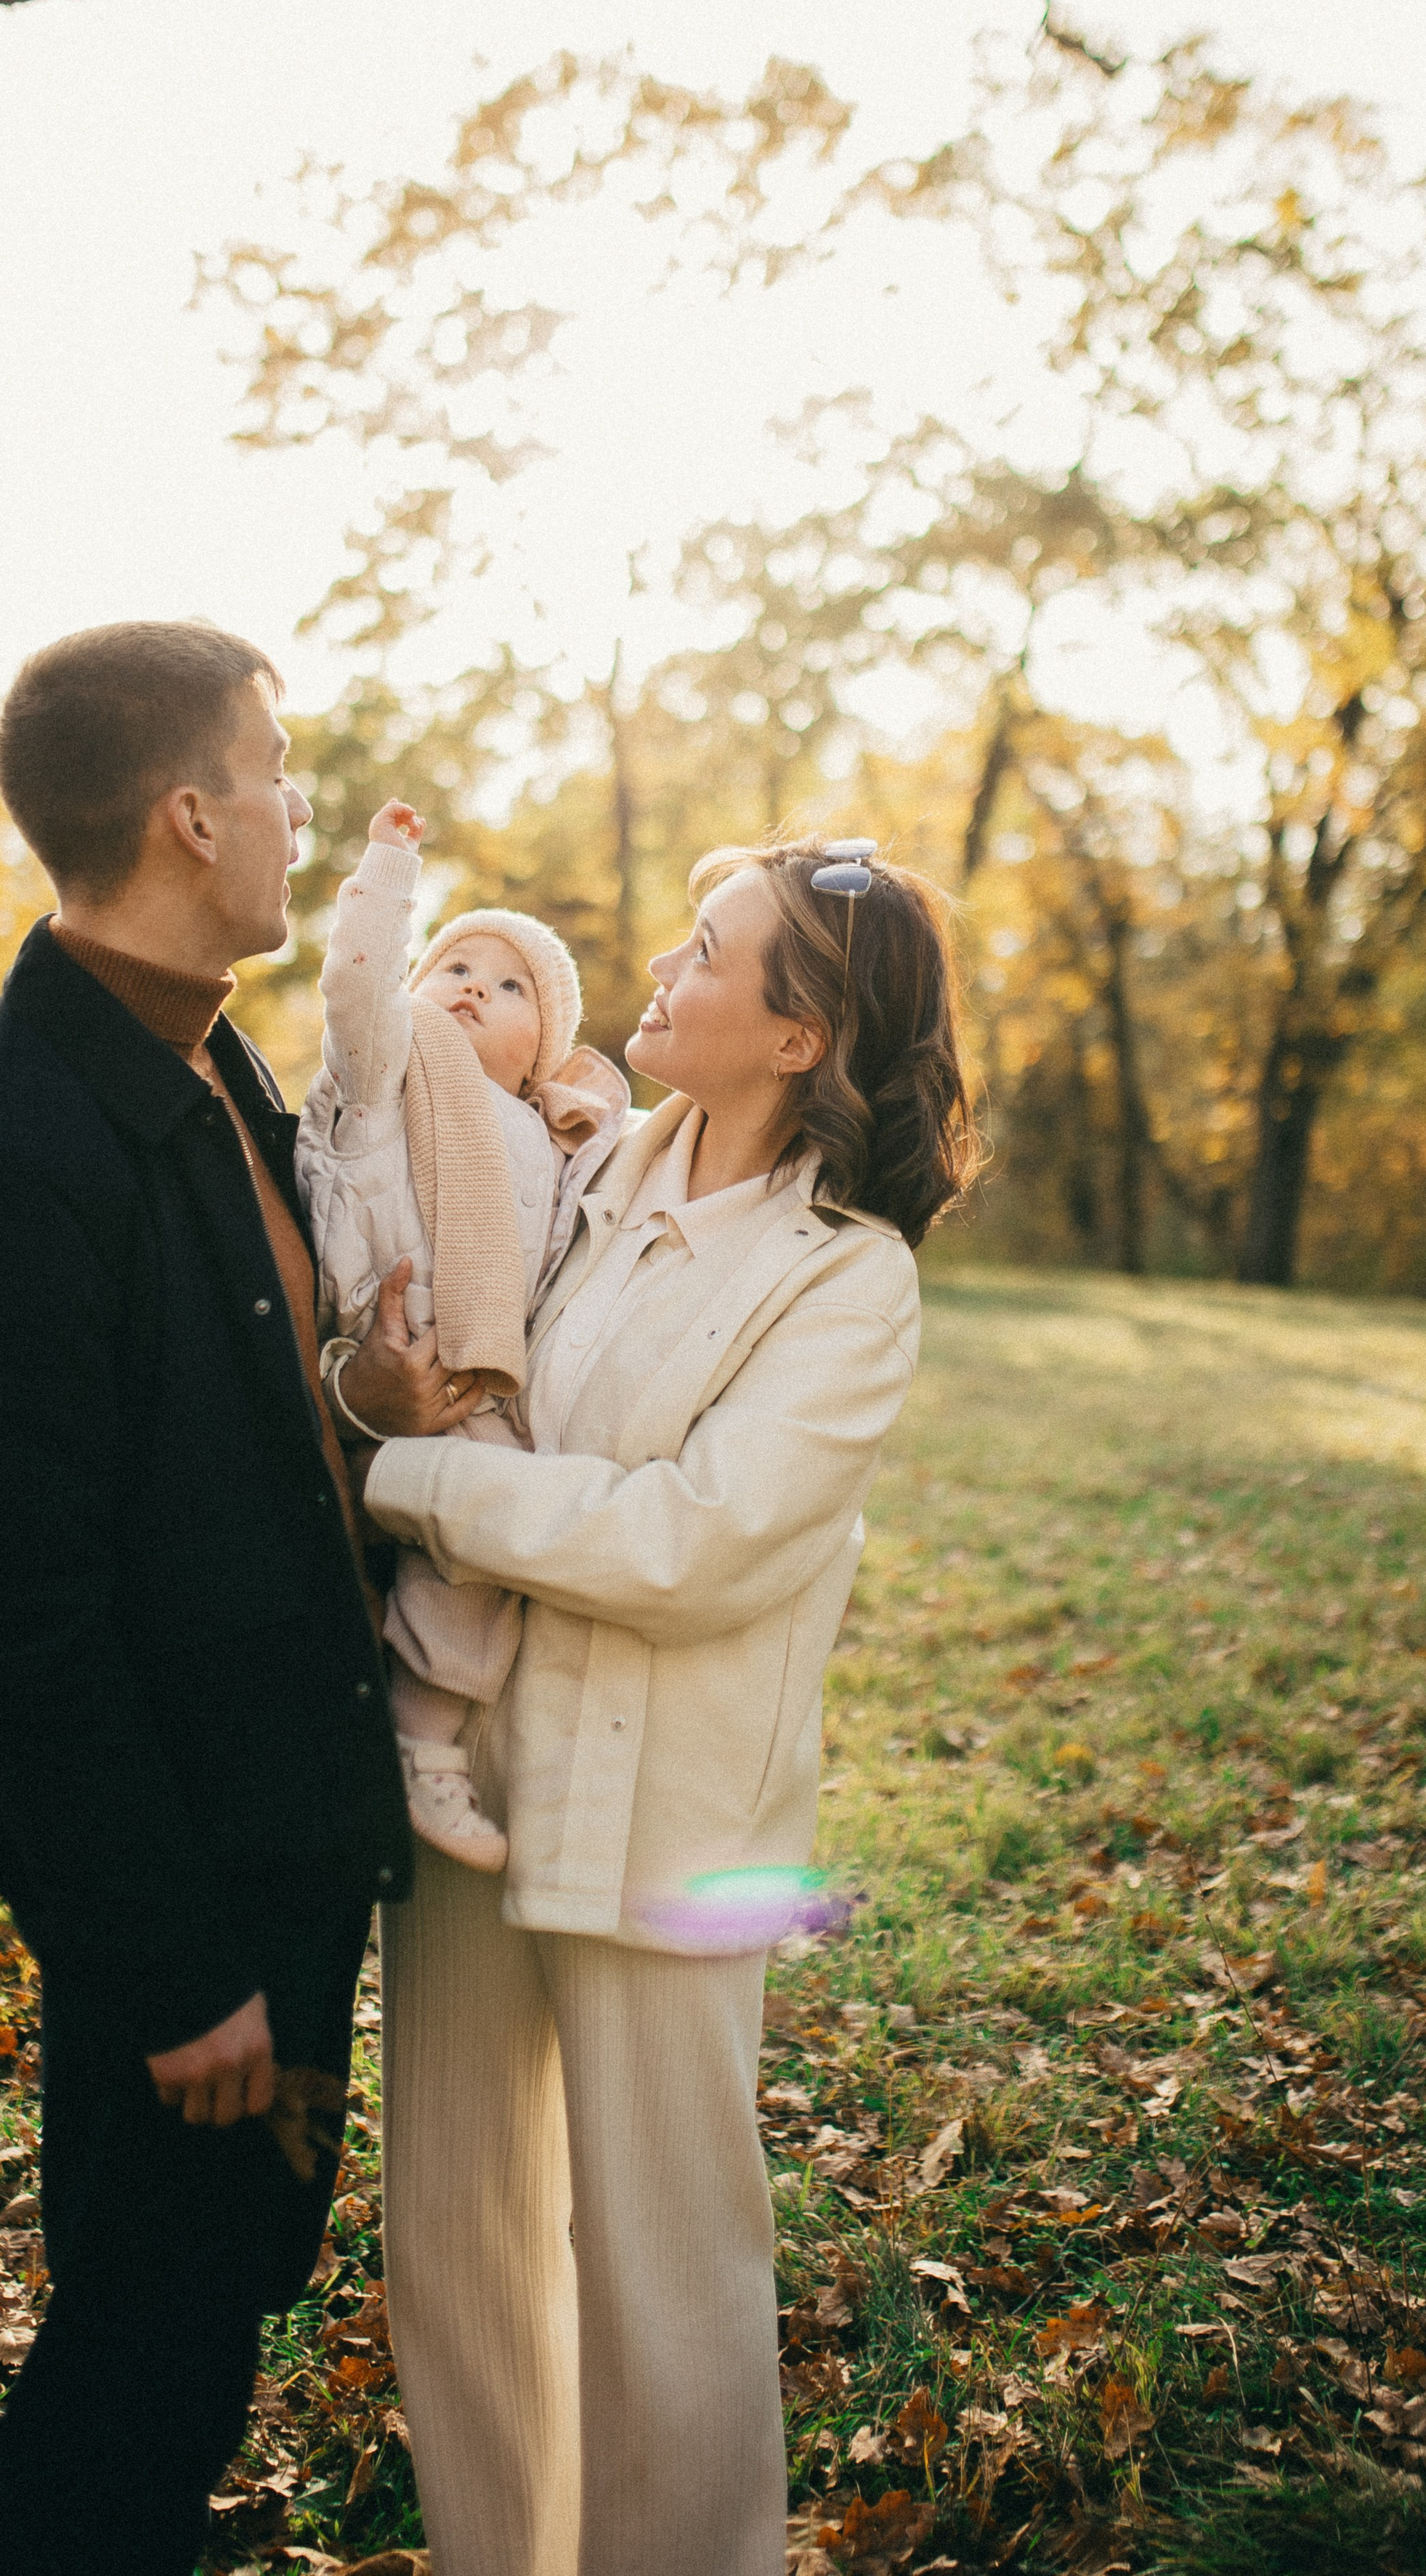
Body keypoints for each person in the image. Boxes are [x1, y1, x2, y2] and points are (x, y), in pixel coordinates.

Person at [0, 622, 434, 2576]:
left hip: (282, 1852)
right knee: (131, 2377)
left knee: (195, 2337)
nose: (294, 813)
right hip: (188, 1927)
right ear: (190, 812)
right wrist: (173, 1971)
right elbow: (11, 1638)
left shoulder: (205, 1066)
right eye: (277, 773)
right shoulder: (4, 1163)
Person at [339, 833, 980, 2576]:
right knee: (454, 2244)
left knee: (665, 2271)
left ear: (795, 1036)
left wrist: (405, 1480)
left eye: (710, 953)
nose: (664, 969)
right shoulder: (569, 1172)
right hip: (463, 1782)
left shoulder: (848, 1277)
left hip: (673, 1825)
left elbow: (696, 1543)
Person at [296, 795, 628, 1871]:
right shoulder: (389, 1072)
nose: (474, 986)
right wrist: (390, 874)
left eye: (512, 982)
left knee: (479, 1552)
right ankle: (411, 1752)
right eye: (453, 967)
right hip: (389, 1348)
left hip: (479, 1385)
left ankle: (420, 1738)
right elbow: (355, 982)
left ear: (547, 1047)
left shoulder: (547, 1131)